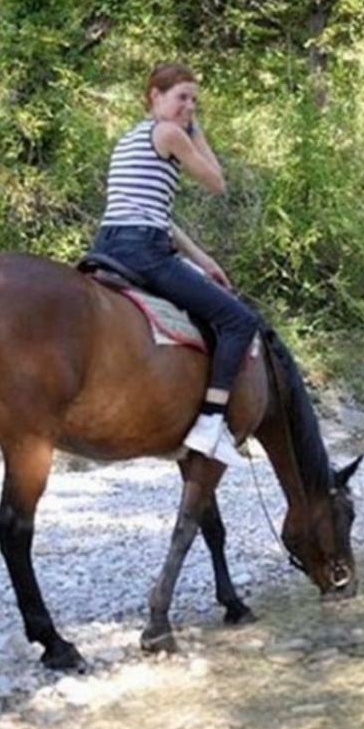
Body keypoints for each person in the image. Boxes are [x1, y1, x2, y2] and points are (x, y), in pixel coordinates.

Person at [90, 62, 257, 467]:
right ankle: (210, 422)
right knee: (239, 322)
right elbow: (217, 182)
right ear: (154, 96)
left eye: (194, 100)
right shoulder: (169, 133)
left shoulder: (130, 138)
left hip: (110, 243)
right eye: (182, 97)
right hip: (143, 250)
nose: (189, 107)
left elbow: (156, 214)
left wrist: (202, 259)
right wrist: (195, 131)